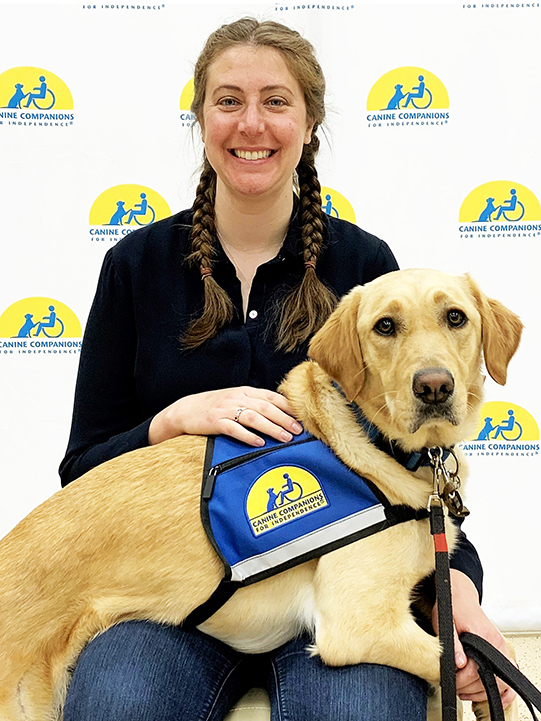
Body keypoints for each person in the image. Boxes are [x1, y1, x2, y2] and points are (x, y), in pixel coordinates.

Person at [59, 17, 514, 721]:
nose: (252, 123)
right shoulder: (135, 265)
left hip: (339, 590)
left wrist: (462, 594)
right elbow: (82, 475)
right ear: (200, 118)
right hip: (177, 605)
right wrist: (172, 420)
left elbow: (417, 475)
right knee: (119, 703)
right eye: (228, 99)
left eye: (276, 101)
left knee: (363, 713)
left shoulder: (365, 271)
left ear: (309, 123)